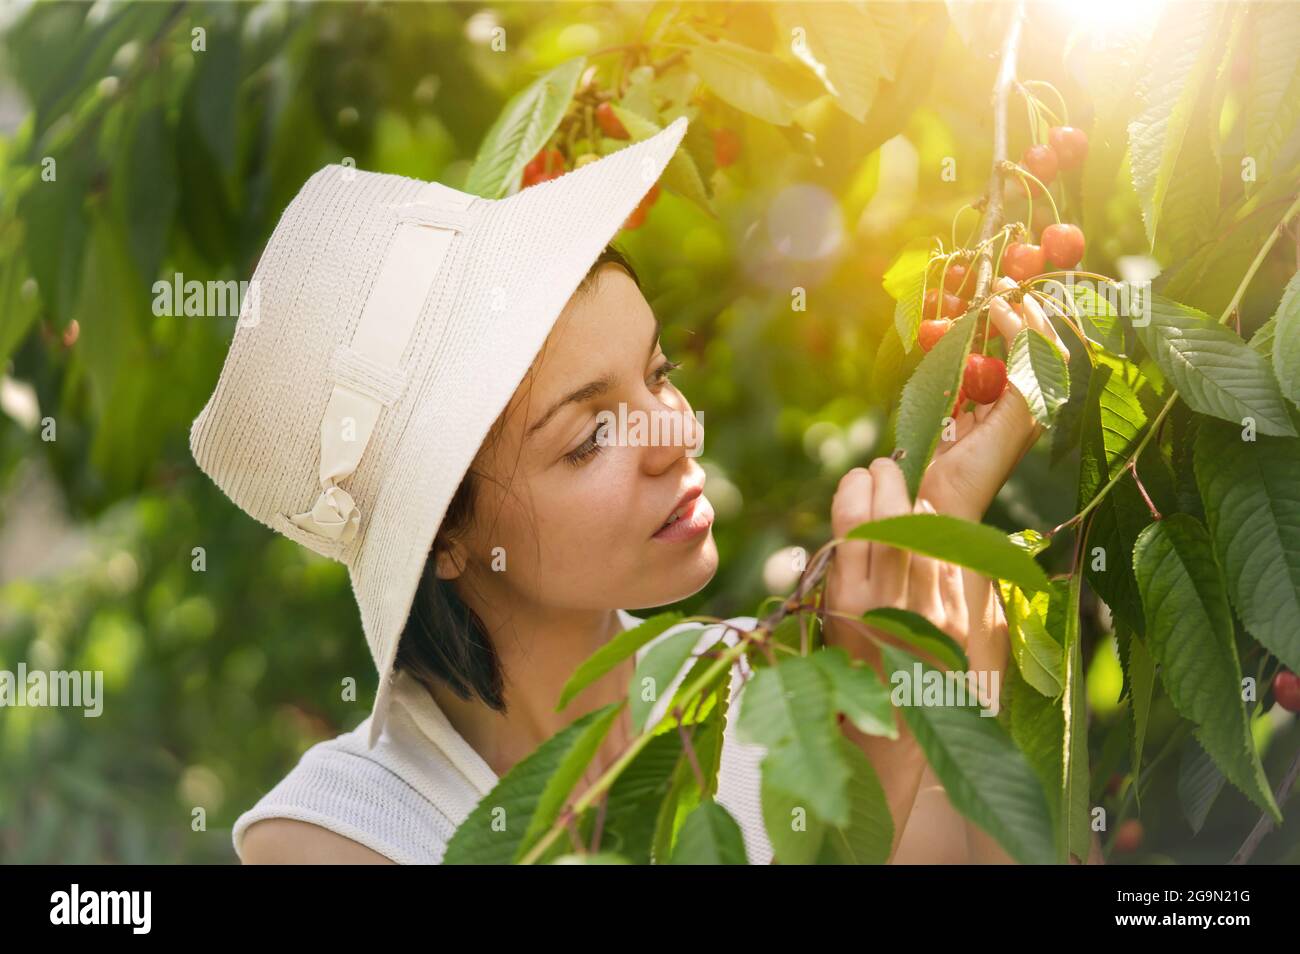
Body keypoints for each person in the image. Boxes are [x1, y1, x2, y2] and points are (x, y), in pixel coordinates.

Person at [190, 116, 1092, 865]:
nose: (678, 432)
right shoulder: (338, 836)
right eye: (591, 436)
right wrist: (881, 762)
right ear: (444, 540)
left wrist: (943, 555)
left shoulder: (771, 686)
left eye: (657, 374)